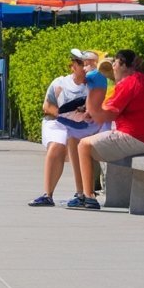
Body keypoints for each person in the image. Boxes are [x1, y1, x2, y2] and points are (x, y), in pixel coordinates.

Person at [72, 49, 144, 210]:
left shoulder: (128, 83)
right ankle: (88, 195)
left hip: (136, 137)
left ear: (122, 64)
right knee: (89, 144)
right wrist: (93, 113)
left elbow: (105, 116)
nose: (112, 67)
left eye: (114, 63)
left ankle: (87, 196)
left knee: (83, 146)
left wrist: (92, 101)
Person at [28, 51, 104, 206]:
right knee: (58, 145)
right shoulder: (60, 83)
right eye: (82, 64)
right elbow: (47, 107)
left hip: (82, 125)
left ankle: (83, 193)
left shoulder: (95, 85)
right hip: (56, 122)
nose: (86, 68)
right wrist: (67, 116)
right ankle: (48, 195)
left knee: (78, 141)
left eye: (90, 64)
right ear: (73, 66)